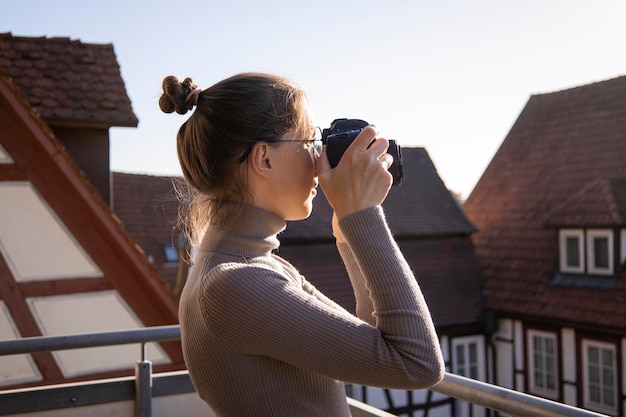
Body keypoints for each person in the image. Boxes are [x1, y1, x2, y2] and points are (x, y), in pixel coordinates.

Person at [159, 72, 444, 417]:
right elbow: (417, 362)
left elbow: (374, 338)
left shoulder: (252, 267)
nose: (319, 160)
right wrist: (364, 216)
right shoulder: (234, 283)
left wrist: (348, 228)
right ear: (264, 158)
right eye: (310, 141)